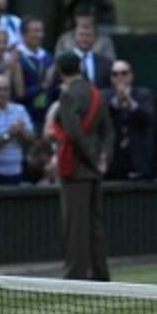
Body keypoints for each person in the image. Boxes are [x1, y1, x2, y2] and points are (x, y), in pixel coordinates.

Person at [48, 51, 112, 280]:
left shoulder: (68, 94)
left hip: (75, 167)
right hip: (94, 168)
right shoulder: (95, 92)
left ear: (60, 70)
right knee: (94, 223)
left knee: (75, 225)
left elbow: (73, 132)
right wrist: (102, 157)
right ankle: (99, 272)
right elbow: (107, 130)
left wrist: (93, 159)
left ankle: (75, 275)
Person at [104, 60, 154, 181]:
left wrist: (130, 101)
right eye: (115, 74)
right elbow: (102, 121)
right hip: (114, 161)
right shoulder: (104, 96)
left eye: (124, 73)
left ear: (131, 76)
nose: (119, 77)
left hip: (137, 159)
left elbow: (148, 119)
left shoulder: (144, 94)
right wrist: (116, 102)